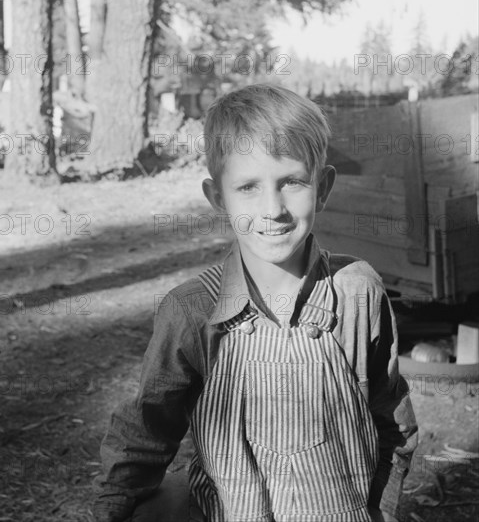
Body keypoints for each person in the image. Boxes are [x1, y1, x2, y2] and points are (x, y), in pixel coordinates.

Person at [92, 84, 418, 522]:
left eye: (293, 183)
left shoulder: (357, 293)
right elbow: (147, 428)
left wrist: (383, 509)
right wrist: (113, 508)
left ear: (323, 187)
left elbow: (391, 419)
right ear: (217, 198)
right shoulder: (191, 312)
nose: (273, 208)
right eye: (247, 187)